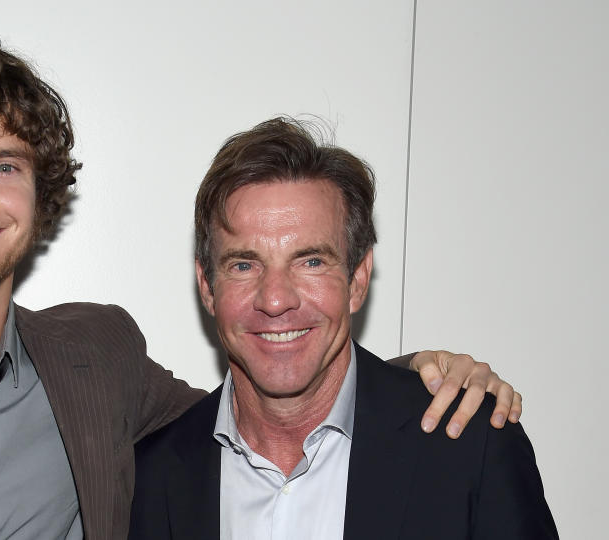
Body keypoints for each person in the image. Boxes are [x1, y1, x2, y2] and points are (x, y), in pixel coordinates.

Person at [0, 29, 521, 540]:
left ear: (39, 196)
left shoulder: (98, 363)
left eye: (4, 164)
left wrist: (415, 375)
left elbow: (270, 389)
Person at [129, 117, 557, 539]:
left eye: (311, 261)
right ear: (207, 287)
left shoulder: (471, 447)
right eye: (244, 265)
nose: (276, 299)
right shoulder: (150, 475)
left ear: (357, 279)